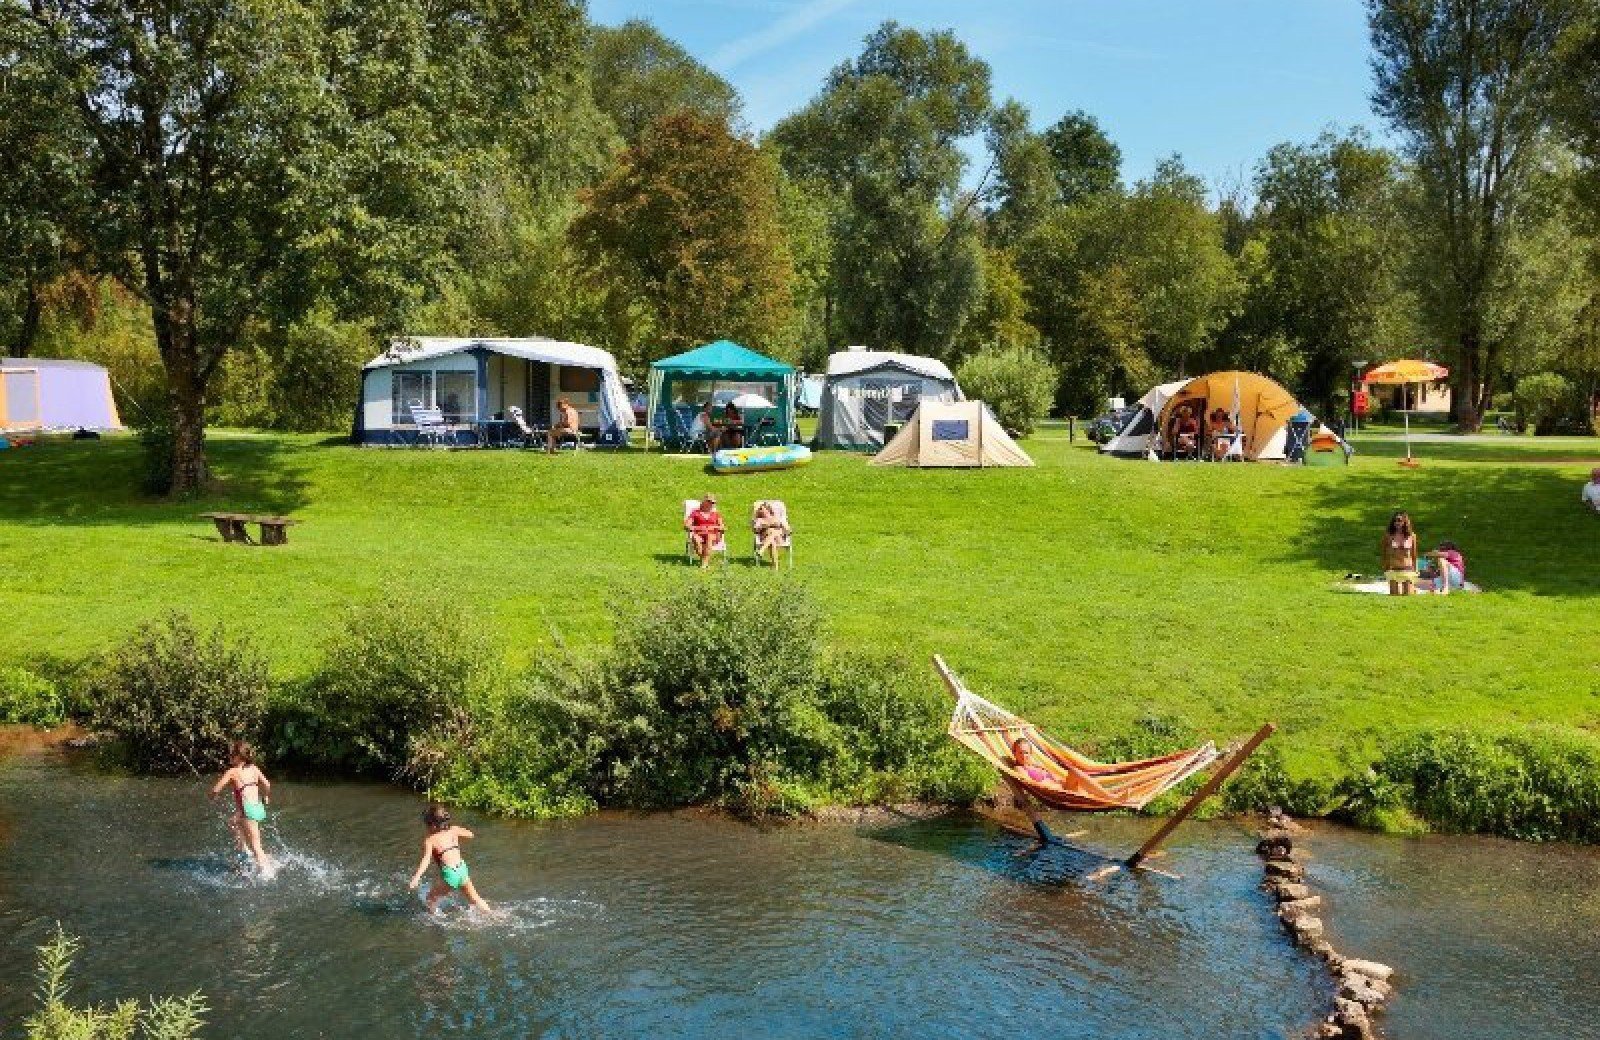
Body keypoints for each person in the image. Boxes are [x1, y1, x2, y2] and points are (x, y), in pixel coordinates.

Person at [408, 803, 491, 914]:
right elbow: (471, 835)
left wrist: (416, 877)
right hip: (462, 869)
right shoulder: (454, 829)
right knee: (475, 899)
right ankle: (493, 915)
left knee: (430, 899)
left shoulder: (430, 840)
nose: (426, 828)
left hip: (451, 874)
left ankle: (435, 923)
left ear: (432, 825)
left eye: (426, 825)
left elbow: (426, 860)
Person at [211, 741, 275, 877]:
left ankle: (267, 873)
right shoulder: (254, 768)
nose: (229, 756)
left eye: (232, 754)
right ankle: (245, 850)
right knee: (233, 822)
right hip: (257, 807)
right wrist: (267, 797)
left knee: (257, 845)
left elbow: (215, 789)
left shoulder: (232, 772)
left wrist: (213, 796)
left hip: (248, 811)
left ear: (238, 756)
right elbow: (267, 784)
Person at [1381, 510, 1419, 596]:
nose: (1397, 522)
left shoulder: (1412, 536)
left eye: (1399, 520)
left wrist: (1416, 569)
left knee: (1408, 596)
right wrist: (1385, 566)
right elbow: (1384, 552)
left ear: (1405, 522)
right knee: (1394, 596)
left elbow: (1414, 554)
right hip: (1393, 570)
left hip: (1408, 570)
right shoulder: (1388, 536)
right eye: (1395, 520)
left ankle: (1413, 588)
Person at [685, 494, 724, 569]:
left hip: (713, 534)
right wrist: (697, 527)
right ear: (704, 502)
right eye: (709, 502)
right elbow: (687, 525)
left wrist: (713, 527)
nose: (711, 504)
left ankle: (703, 565)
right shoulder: (695, 513)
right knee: (696, 539)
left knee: (709, 537)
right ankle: (704, 559)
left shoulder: (716, 514)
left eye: (713, 503)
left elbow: (722, 526)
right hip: (699, 533)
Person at [752, 501, 789, 569]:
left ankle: (761, 550)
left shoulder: (777, 518)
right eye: (760, 509)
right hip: (765, 538)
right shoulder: (759, 520)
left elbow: (788, 529)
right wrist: (765, 526)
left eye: (762, 509)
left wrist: (783, 528)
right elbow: (755, 530)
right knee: (772, 541)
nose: (761, 511)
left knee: (773, 531)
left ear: (768, 509)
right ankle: (775, 566)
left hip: (779, 538)